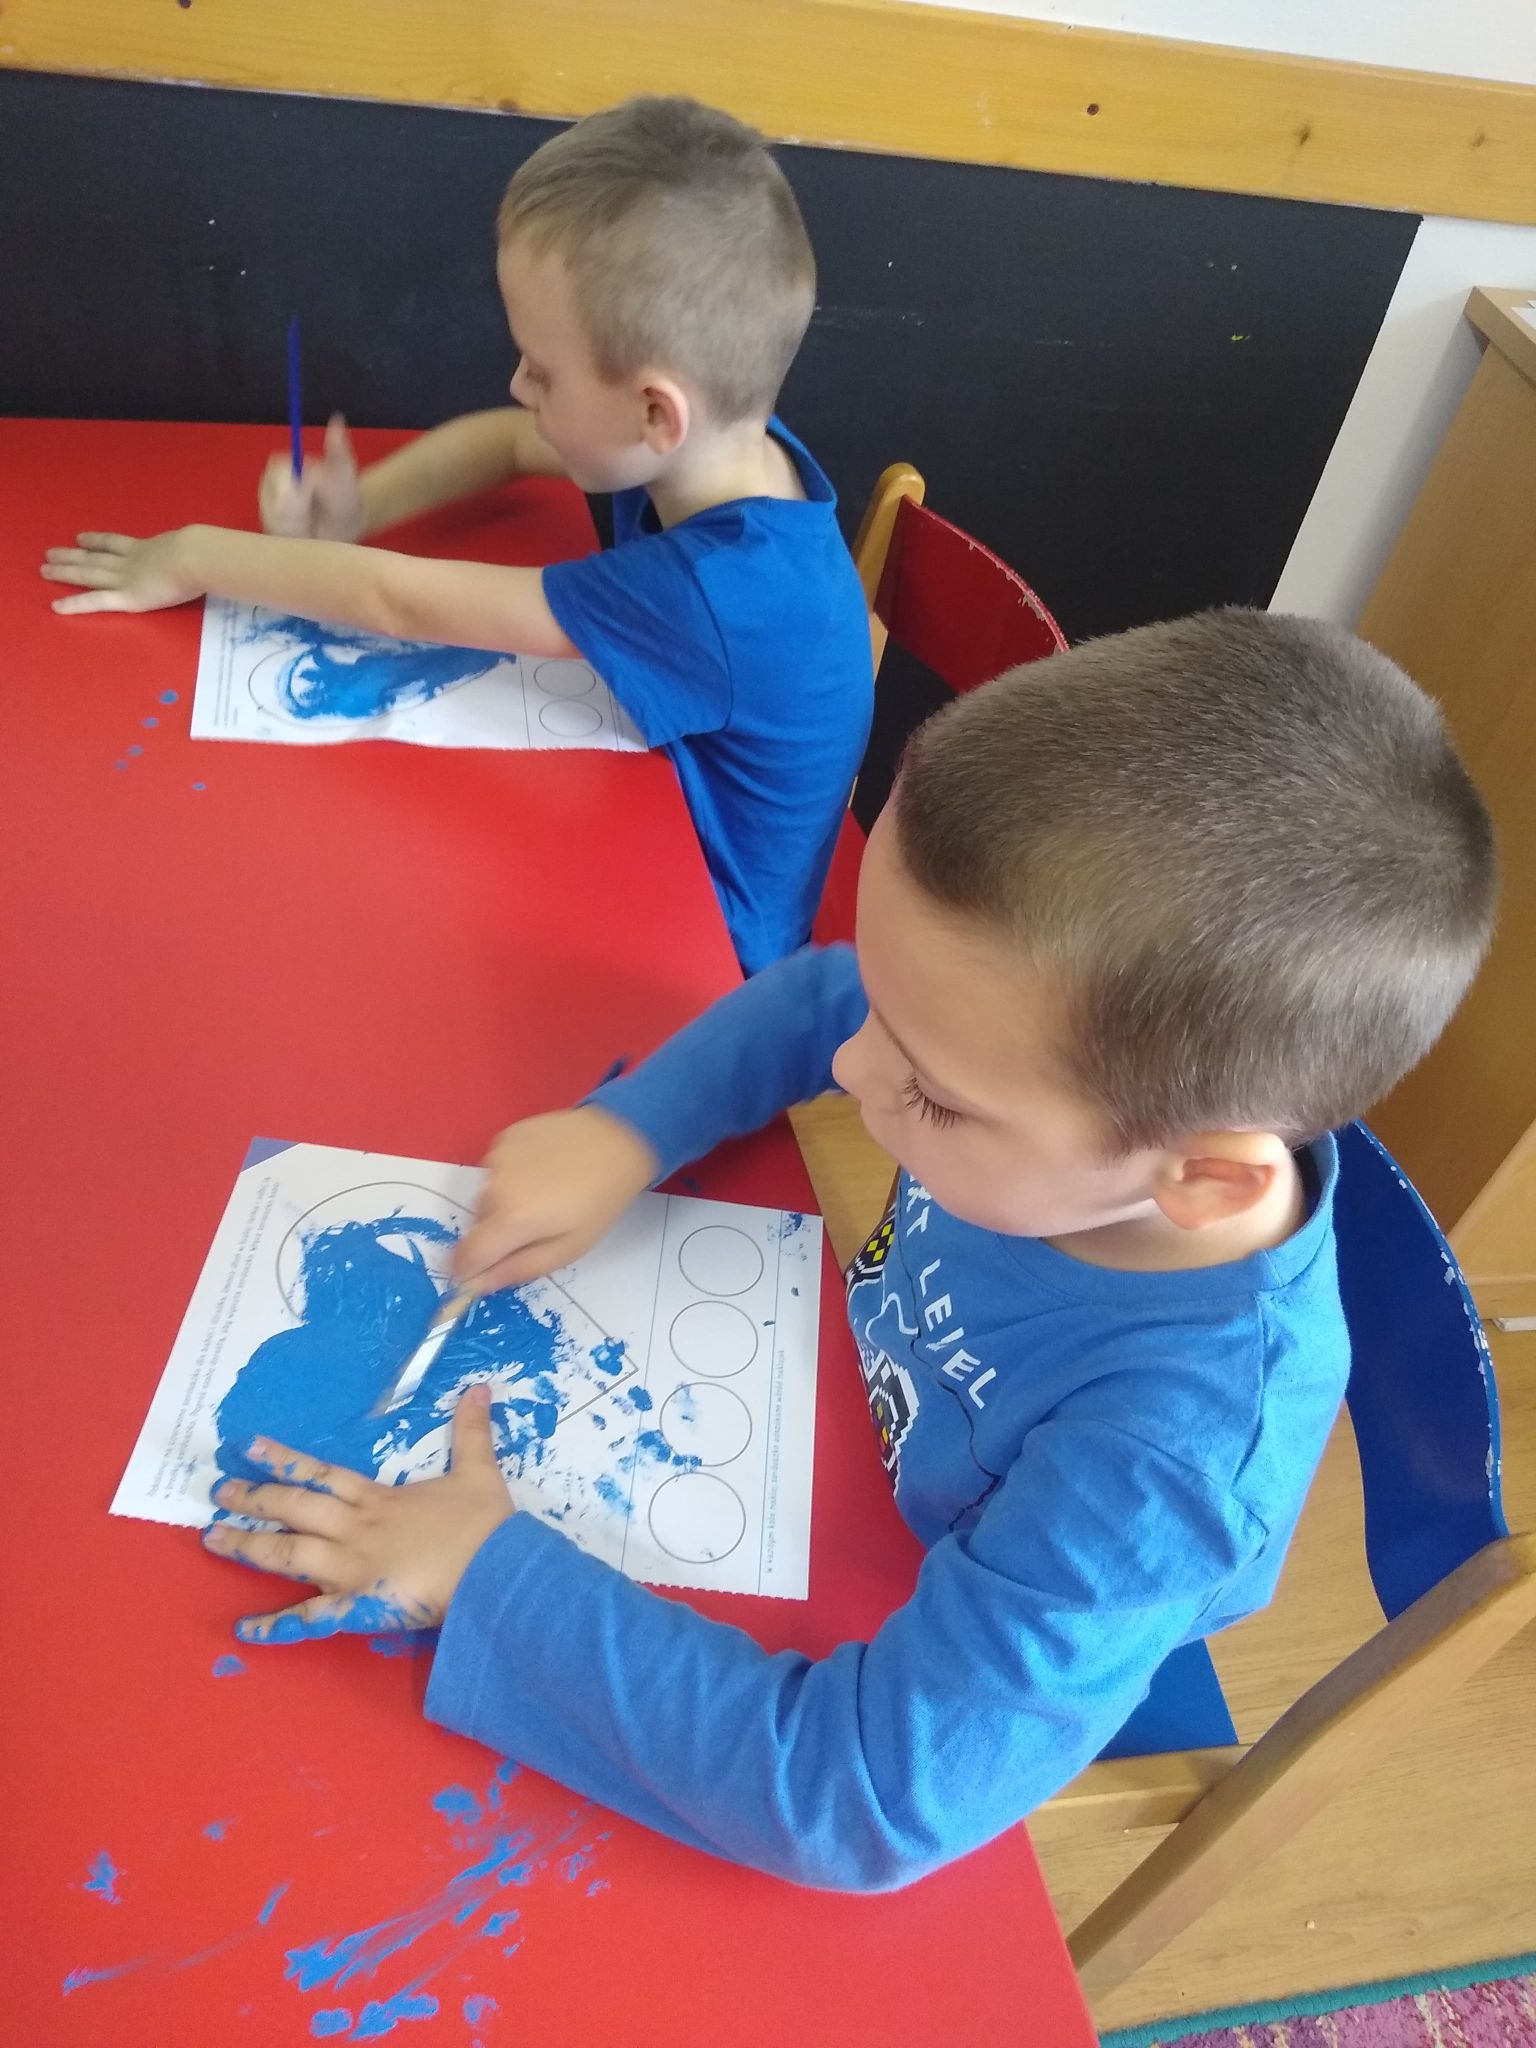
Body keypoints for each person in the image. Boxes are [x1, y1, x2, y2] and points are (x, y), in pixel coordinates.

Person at [199, 609, 1496, 1890]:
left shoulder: (1165, 1471)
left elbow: (860, 1794)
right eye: (886, 1015)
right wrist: (633, 1127)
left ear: (1204, 1180)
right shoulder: (1040, 1087)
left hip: (973, 1615)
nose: (856, 1067)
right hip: (846, 1447)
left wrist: (488, 1577)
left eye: (928, 1094)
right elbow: (829, 998)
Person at [41, 96, 872, 974]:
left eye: (543, 371)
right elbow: (511, 443)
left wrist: (194, 555)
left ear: (655, 412)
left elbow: (396, 601)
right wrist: (360, 509)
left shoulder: (715, 594)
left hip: (708, 964)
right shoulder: (719, 450)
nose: (519, 385)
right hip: (647, 832)